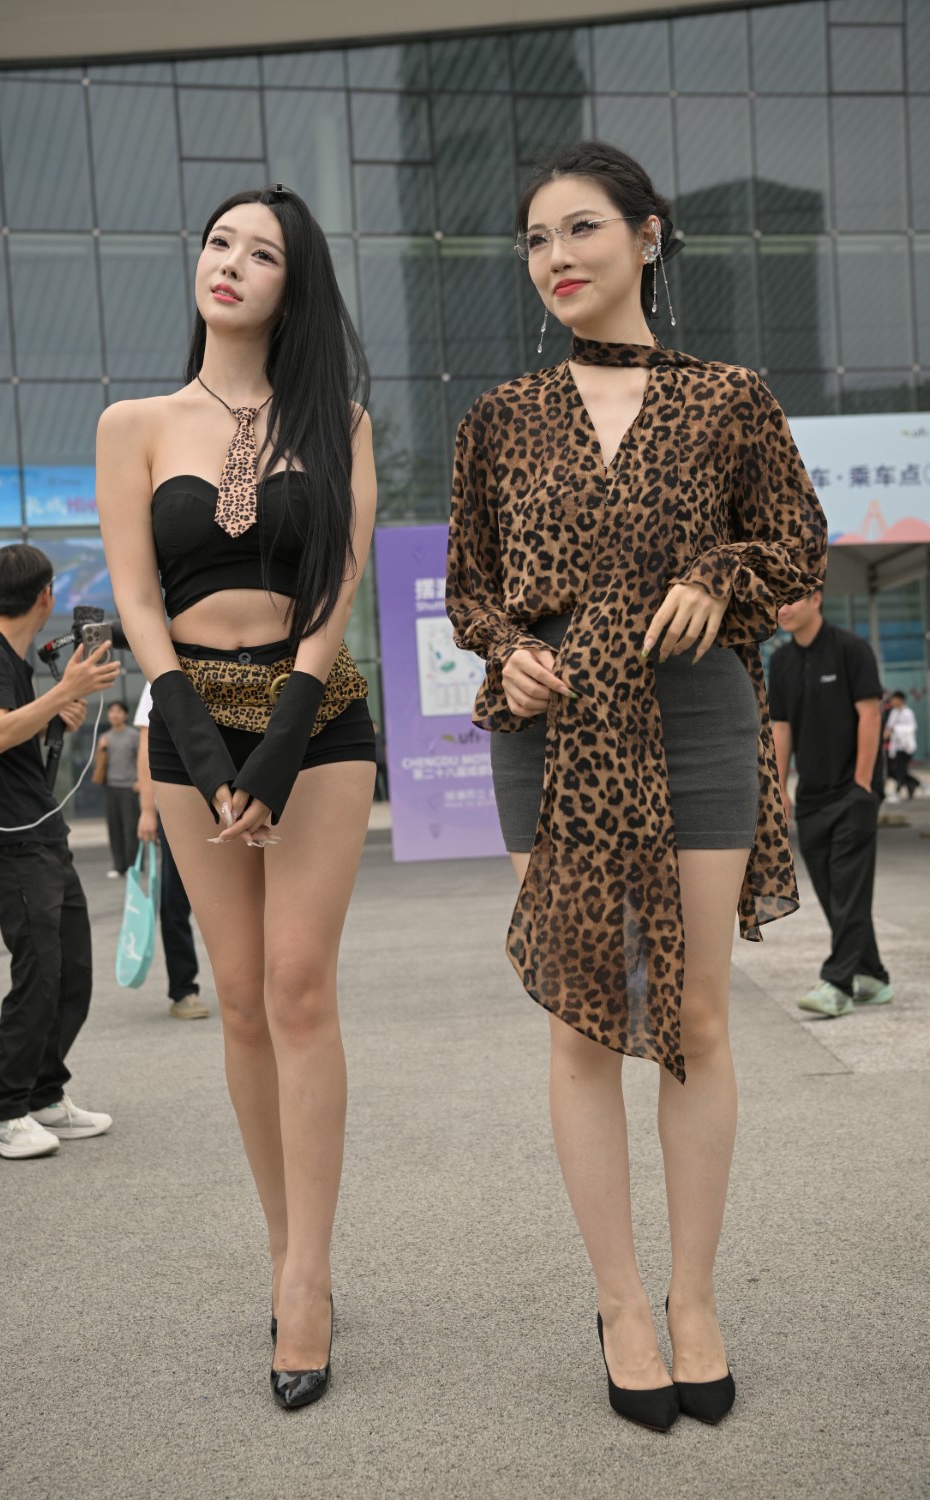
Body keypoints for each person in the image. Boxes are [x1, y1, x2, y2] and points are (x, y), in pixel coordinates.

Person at [447, 142, 826, 1432]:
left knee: (697, 1016)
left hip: (698, 716)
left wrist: (719, 569)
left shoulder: (729, 398)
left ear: (647, 236)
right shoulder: (499, 419)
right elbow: (468, 587)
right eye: (536, 238)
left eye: (581, 229)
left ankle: (694, 1297)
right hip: (551, 728)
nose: (555, 256)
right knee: (581, 1024)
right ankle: (619, 1305)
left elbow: (796, 541)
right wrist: (506, 648)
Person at [95, 186, 377, 1410]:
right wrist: (203, 749)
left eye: (262, 253)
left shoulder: (339, 421)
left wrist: (281, 739)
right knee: (245, 1003)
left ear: (290, 286)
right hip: (188, 717)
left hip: (318, 720)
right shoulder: (135, 423)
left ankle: (308, 1283)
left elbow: (337, 588)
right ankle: (281, 1244)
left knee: (300, 988)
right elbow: (135, 595)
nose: (231, 263)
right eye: (220, 243)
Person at [0, 544, 120, 1159]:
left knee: (72, 972)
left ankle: (44, 1095)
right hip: (10, 841)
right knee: (40, 973)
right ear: (46, 597)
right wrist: (63, 690)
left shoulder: (8, 659)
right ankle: (2, 1112)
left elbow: (2, 734)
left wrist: (52, 716)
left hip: (40, 831)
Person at [770, 591, 893, 1018]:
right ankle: (872, 975)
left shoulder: (851, 650)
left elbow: (870, 715)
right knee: (832, 891)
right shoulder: (781, 662)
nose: (782, 609)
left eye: (791, 599)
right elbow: (781, 728)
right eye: (777, 601)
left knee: (848, 887)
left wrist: (862, 784)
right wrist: (780, 788)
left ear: (817, 598)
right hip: (811, 795)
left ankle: (838, 982)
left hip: (852, 793)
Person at [133, 680, 210, 1018]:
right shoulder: (160, 671)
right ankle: (184, 989)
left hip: (237, 797)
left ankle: (260, 987)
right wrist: (148, 810)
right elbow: (147, 745)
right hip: (179, 804)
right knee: (175, 900)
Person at [92, 699, 140, 877]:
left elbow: (142, 759)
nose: (115, 714)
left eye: (119, 711)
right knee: (114, 828)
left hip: (129, 787)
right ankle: (118, 866)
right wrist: (101, 749)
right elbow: (98, 765)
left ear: (125, 715)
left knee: (131, 828)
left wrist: (140, 781)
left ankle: (133, 866)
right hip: (110, 787)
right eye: (112, 711)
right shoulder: (105, 737)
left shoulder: (133, 735)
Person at [884, 690, 920, 801]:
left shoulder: (908, 713)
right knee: (897, 770)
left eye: (894, 699)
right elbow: (889, 727)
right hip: (896, 747)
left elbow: (912, 728)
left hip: (906, 747)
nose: (892, 701)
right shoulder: (894, 712)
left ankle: (902, 789)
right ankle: (912, 784)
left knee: (900, 769)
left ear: (900, 700)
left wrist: (896, 729)